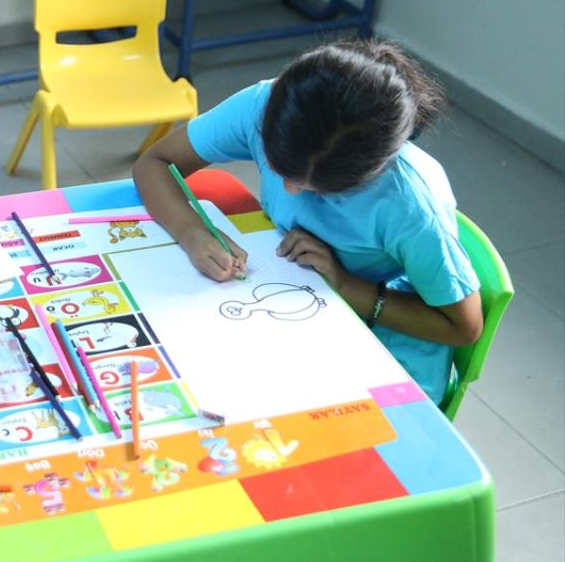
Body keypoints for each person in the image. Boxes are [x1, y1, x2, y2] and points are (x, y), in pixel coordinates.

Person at [132, 40, 483, 404]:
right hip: (291, 315)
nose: (289, 190)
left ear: (370, 174)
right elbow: (155, 162)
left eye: (319, 189)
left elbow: (464, 326)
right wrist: (192, 233)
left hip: (383, 349)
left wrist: (345, 285)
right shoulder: (265, 107)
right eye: (278, 167)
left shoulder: (410, 205)